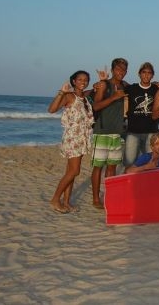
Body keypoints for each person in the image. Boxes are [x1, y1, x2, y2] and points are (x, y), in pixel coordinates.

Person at [48, 70, 95, 213]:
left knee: (70, 172)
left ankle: (66, 202)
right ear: (73, 81)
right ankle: (55, 199)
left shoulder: (84, 97)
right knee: (75, 171)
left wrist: (102, 81)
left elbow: (92, 90)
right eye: (80, 79)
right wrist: (61, 92)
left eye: (85, 80)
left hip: (82, 138)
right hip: (73, 138)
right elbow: (51, 109)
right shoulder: (69, 96)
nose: (83, 82)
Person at [91, 57, 129, 209]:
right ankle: (95, 199)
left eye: (124, 69)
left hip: (118, 132)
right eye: (118, 69)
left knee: (112, 167)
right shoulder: (104, 85)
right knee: (98, 167)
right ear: (113, 70)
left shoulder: (125, 86)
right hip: (102, 131)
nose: (121, 72)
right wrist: (113, 97)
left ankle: (109, 196)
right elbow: (96, 106)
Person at [123, 62, 159, 167]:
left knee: (150, 164)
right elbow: (119, 85)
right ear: (139, 74)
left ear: (152, 75)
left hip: (151, 132)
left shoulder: (156, 89)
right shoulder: (131, 88)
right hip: (133, 132)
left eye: (149, 73)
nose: (146, 75)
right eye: (144, 72)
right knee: (129, 163)